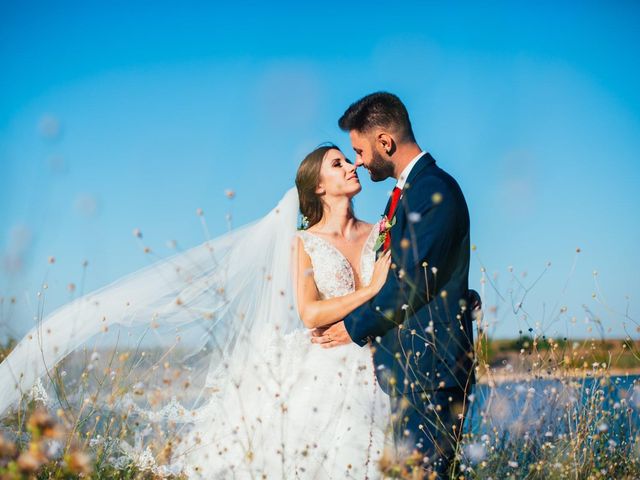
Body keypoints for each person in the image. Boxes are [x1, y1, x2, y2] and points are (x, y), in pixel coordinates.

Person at [0, 144, 396, 478]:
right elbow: (311, 313)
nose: (353, 165)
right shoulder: (303, 243)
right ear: (319, 186)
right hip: (328, 366)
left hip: (385, 360)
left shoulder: (380, 230)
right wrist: (373, 289)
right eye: (338, 164)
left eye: (349, 159)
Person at [312, 92, 477, 478]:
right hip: (410, 370)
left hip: (431, 369)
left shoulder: (433, 191)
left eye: (360, 151)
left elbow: (410, 284)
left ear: (385, 142)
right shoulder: (406, 194)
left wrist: (352, 328)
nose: (358, 161)